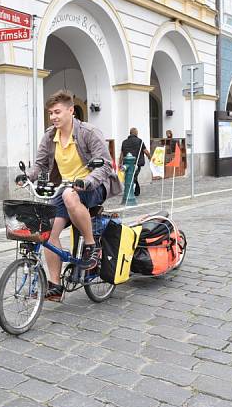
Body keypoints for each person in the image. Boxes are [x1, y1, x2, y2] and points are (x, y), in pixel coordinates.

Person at [17, 90, 121, 302]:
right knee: (48, 233)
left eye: (57, 112)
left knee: (69, 195)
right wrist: (27, 176)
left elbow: (105, 164)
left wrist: (88, 181)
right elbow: (40, 164)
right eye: (51, 113)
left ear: (71, 111)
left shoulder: (89, 133)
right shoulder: (49, 136)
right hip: (65, 188)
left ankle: (91, 246)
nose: (53, 117)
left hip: (93, 186)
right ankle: (55, 286)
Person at [119, 127, 151, 197]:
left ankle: (135, 191)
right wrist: (149, 157)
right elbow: (145, 151)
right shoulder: (140, 141)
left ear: (130, 133)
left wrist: (120, 163)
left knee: (132, 176)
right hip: (137, 163)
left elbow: (121, 153)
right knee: (133, 177)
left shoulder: (124, 142)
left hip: (126, 163)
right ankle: (132, 192)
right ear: (136, 133)